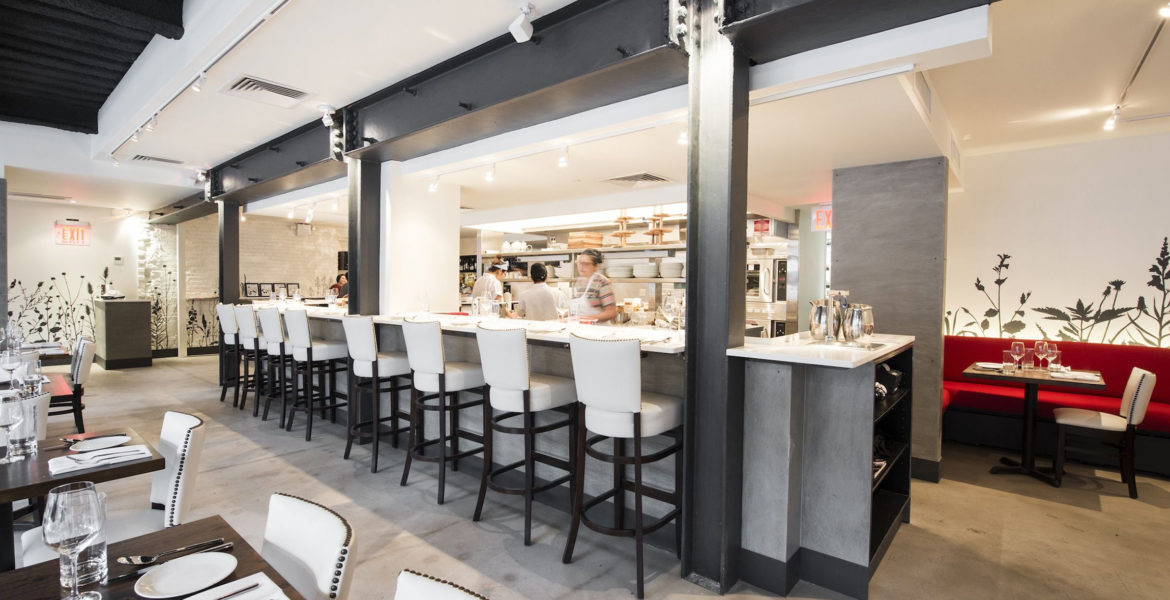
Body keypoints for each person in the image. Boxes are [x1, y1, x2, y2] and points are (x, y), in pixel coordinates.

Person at [570, 249, 617, 322]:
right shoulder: (577, 282)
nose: (581, 266)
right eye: (579, 263)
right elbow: (575, 311)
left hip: (597, 327)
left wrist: (585, 319)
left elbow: (611, 313)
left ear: (596, 266)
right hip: (579, 326)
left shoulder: (601, 282)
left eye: (586, 264)